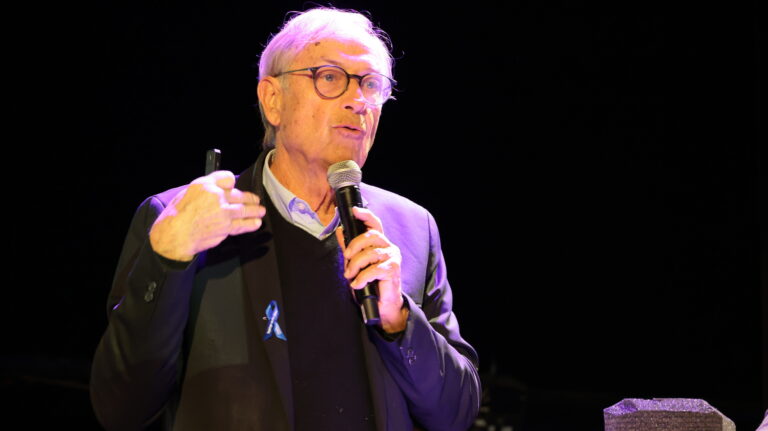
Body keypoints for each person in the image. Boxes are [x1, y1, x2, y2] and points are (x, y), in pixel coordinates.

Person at [90, 7, 480, 431]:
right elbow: (121, 408)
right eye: (329, 77)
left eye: (371, 84)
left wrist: (399, 321)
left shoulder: (412, 229)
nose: (358, 100)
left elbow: (456, 415)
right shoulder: (180, 220)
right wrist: (165, 259)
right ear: (273, 100)